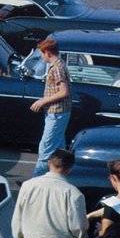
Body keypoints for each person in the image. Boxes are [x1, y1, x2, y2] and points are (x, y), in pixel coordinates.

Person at [11, 149, 88, 238]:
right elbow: (78, 227)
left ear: (49, 163)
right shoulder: (73, 193)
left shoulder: (28, 186)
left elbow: (17, 219)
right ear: (69, 169)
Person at [30, 37, 71, 177]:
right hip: (59, 112)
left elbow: (63, 92)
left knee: (45, 149)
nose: (41, 57)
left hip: (56, 113)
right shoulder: (60, 64)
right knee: (59, 150)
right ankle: (61, 178)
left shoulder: (57, 68)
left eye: (41, 54)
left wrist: (42, 101)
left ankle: (35, 180)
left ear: (47, 52)